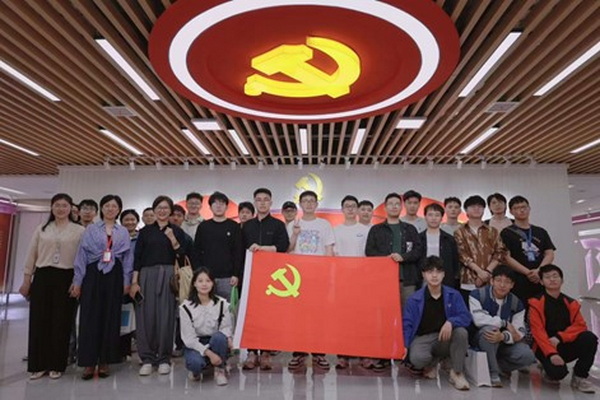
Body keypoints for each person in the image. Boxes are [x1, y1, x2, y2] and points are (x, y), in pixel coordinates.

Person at [19, 194, 85, 380]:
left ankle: (57, 365)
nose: (61, 209)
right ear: (52, 208)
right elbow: (31, 255)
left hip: (66, 277)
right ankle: (38, 365)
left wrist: (78, 281)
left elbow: (81, 259)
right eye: (57, 205)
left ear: (71, 208)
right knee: (39, 320)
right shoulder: (42, 228)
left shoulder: (79, 230)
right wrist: (26, 280)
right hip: (43, 276)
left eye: (64, 205)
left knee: (61, 322)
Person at [71, 195, 133, 379]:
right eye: (107, 205)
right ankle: (88, 362)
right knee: (89, 317)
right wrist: (77, 281)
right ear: (102, 208)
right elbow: (81, 255)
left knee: (111, 316)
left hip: (115, 275)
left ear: (119, 209)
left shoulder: (123, 232)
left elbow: (127, 259)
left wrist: (126, 281)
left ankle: (105, 361)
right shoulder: (91, 229)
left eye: (114, 206)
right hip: (93, 273)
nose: (110, 209)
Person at [130, 195, 189, 376]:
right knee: (145, 317)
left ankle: (164, 358)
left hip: (169, 276)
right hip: (146, 275)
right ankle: (147, 358)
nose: (162, 211)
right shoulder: (145, 232)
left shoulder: (177, 231)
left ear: (170, 211)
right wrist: (134, 282)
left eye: (166, 208)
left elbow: (183, 257)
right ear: (154, 210)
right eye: (159, 208)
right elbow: (137, 258)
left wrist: (173, 239)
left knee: (166, 317)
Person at [403, 256, 471, 390]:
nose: (434, 276)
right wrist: (404, 346)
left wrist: (451, 322)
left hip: (445, 337)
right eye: (430, 272)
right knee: (417, 359)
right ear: (423, 275)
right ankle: (433, 362)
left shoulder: (454, 295)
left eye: (438, 272)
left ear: (443, 274)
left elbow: (466, 317)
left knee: (461, 332)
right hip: (423, 338)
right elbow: (407, 325)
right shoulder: (414, 299)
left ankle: (457, 372)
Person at [241, 188, 290, 371]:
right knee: (252, 314)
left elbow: (283, 246)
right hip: (251, 276)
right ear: (255, 202)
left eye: (266, 200)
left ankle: (267, 352)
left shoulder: (278, 225)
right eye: (259, 200)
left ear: (271, 203)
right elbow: (239, 250)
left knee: (270, 315)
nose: (262, 203)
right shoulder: (246, 226)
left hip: (272, 277)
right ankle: (252, 352)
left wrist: (263, 248)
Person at [529, 265, 597, 393]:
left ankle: (579, 376)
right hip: (544, 347)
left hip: (563, 343)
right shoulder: (535, 302)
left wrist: (560, 337)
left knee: (589, 338)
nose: (552, 279)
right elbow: (538, 332)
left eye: (555, 276)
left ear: (562, 280)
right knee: (557, 374)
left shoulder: (571, 303)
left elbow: (580, 325)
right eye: (547, 277)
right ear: (542, 282)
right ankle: (546, 367)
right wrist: (552, 353)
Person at [287, 190, 335, 371]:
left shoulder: (324, 225)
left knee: (319, 316)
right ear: (300, 204)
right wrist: (295, 234)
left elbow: (329, 251)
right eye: (305, 201)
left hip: (319, 277)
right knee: (298, 316)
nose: (308, 204)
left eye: (311, 201)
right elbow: (287, 249)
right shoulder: (293, 224)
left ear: (316, 204)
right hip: (298, 279)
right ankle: (298, 353)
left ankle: (319, 353)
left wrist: (328, 275)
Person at [469, 266, 535, 387]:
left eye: (507, 282)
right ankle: (493, 373)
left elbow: (519, 332)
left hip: (505, 342)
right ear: (492, 281)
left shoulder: (517, 303)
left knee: (527, 356)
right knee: (490, 330)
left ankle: (498, 367)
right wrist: (504, 323)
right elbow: (479, 320)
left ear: (512, 285)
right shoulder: (477, 295)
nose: (502, 285)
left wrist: (503, 336)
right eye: (499, 280)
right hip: (480, 339)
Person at [333, 195, 371, 369]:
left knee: (362, 318)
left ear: (357, 209)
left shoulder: (367, 230)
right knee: (343, 319)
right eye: (347, 206)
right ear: (342, 209)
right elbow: (333, 255)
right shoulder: (335, 230)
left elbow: (370, 255)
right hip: (342, 280)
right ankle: (343, 355)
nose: (350, 209)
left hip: (362, 280)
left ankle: (364, 354)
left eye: (353, 206)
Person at [366, 193, 422, 307]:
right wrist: (385, 259)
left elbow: (418, 251)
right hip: (384, 279)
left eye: (397, 204)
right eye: (390, 204)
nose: (394, 206)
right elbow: (369, 251)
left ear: (401, 207)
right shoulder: (376, 229)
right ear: (385, 207)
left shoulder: (410, 229)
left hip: (407, 280)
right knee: (386, 310)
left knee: (408, 311)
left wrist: (403, 257)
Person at [180, 268, 233, 385]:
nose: (204, 284)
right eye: (200, 281)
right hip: (196, 343)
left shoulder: (221, 303)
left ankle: (220, 369)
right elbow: (189, 339)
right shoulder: (185, 307)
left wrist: (229, 338)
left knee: (219, 337)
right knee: (195, 363)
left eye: (208, 281)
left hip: (215, 341)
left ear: (213, 283)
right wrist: (210, 354)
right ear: (194, 283)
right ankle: (200, 368)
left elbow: (226, 327)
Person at [501, 196, 555, 302]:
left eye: (524, 207)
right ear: (511, 212)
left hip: (540, 278)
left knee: (542, 307)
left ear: (529, 209)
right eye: (516, 208)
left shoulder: (540, 231)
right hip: (518, 280)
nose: (521, 210)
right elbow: (506, 257)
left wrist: (539, 271)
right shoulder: (506, 233)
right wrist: (528, 273)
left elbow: (549, 253)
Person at [454, 195, 506, 301]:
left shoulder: (492, 231)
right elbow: (462, 254)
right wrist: (479, 272)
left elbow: (500, 252)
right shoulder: (459, 231)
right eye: (473, 206)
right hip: (468, 281)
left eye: (480, 206)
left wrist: (487, 272)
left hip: (491, 280)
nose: (477, 209)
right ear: (466, 210)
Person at [193, 191, 243, 300]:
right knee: (206, 306)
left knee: (228, 308)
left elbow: (238, 252)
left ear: (226, 207)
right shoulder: (203, 227)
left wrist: (236, 274)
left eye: (222, 203)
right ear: (210, 207)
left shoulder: (234, 226)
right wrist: (199, 274)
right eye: (215, 203)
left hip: (228, 277)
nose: (218, 206)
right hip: (207, 277)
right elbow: (196, 251)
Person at [419, 203, 460, 288]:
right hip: (423, 279)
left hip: (445, 279)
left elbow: (455, 262)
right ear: (425, 217)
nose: (434, 218)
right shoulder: (418, 238)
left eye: (437, 215)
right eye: (430, 215)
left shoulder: (449, 239)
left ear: (442, 218)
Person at [119, 209, 140, 360]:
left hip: (138, 280)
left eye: (133, 219)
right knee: (123, 314)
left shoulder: (141, 238)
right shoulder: (117, 237)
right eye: (126, 219)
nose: (130, 222)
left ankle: (140, 347)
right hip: (120, 280)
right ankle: (123, 350)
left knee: (139, 315)